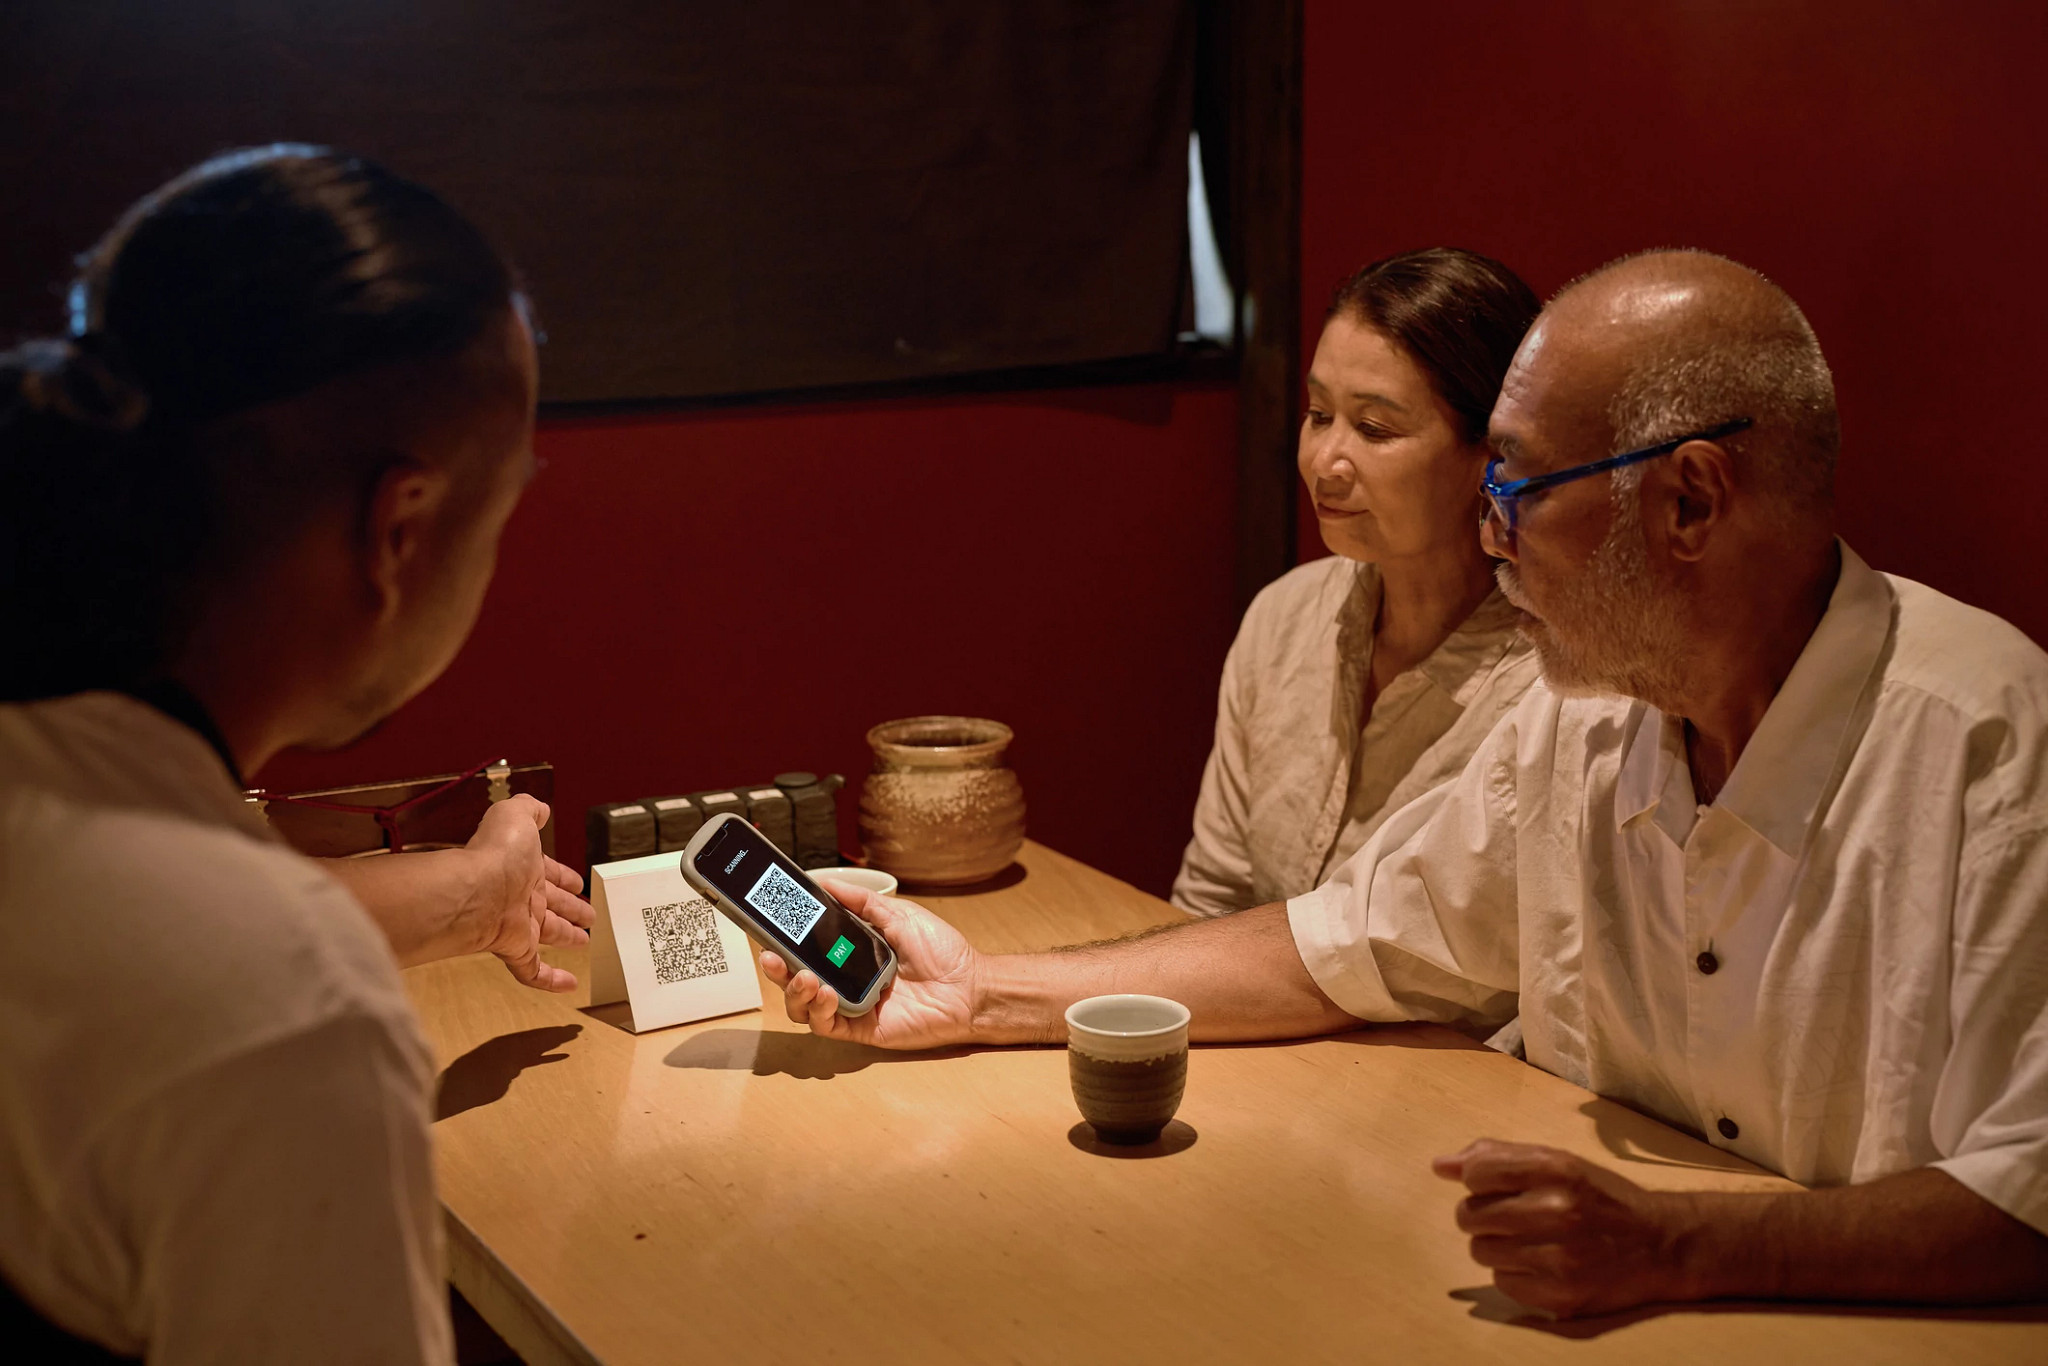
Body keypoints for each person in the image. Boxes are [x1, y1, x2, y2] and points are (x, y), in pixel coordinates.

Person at [772, 249, 2048, 1317]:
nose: (1492, 535)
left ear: (1688, 501)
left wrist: (1679, 1246)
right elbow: (1337, 945)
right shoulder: (1582, 721)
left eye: (1518, 490)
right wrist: (977, 990)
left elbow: (2029, 1195)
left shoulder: (1989, 742)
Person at [0, 146, 583, 1361]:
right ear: (400, 526)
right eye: (506, 502)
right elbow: (245, 968)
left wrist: (474, 892)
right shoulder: (280, 1004)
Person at [1173, 248, 1542, 920]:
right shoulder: (1283, 618)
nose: (1325, 463)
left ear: (1491, 454)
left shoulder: (1555, 689)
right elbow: (1210, 903)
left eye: (1374, 428)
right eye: (1318, 415)